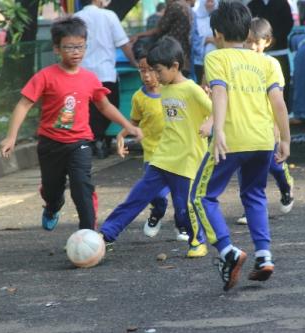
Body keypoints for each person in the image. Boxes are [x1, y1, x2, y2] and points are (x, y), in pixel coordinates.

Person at [0, 16, 142, 232]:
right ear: (57, 49)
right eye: (69, 47)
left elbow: (104, 106)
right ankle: (52, 205)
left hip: (80, 142)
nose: (76, 52)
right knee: (52, 189)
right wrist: (11, 137)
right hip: (50, 143)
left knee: (82, 186)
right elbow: (23, 105)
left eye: (80, 46)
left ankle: (88, 232)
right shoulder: (45, 76)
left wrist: (128, 125)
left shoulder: (90, 78)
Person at [190, 2, 291, 291]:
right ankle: (264, 256)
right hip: (262, 140)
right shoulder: (269, 62)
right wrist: (284, 139)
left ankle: (228, 251)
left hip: (232, 140)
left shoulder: (217, 58)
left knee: (201, 197)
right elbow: (278, 103)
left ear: (217, 33)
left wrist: (218, 130)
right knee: (255, 194)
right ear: (248, 31)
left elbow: (219, 93)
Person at [99, 36, 211, 258]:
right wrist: (125, 133)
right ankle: (106, 234)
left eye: (158, 71)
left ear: (175, 66)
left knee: (184, 207)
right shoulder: (164, 90)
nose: (155, 77)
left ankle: (197, 240)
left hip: (187, 160)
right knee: (136, 197)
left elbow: (217, 107)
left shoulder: (192, 89)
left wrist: (210, 122)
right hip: (162, 157)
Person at [115, 49, 188, 241]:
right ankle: (157, 212)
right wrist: (121, 136)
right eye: (141, 70)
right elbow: (134, 123)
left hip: (176, 153)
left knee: (181, 196)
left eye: (151, 70)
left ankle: (182, 225)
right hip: (153, 154)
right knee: (156, 194)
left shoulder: (172, 90)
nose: (147, 76)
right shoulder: (139, 98)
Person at [236, 17, 295, 225]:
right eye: (247, 41)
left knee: (275, 165)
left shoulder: (271, 64)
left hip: (267, 127)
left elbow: (278, 102)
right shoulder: (238, 65)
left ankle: (285, 185)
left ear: (267, 42)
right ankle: (249, 208)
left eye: (256, 42)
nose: (251, 46)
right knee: (245, 170)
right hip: (244, 128)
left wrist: (280, 133)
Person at [74, 0, 138, 159]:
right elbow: (124, 44)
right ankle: (100, 139)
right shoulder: (109, 16)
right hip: (106, 74)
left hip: (83, 74)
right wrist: (135, 63)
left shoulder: (76, 18)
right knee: (109, 107)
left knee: (88, 111)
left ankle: (92, 140)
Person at [247, 0, 293, 108]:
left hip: (280, 50)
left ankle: (283, 112)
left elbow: (288, 23)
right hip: (257, 53)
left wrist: (275, 39)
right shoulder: (252, 4)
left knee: (281, 85)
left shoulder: (282, 3)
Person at [131, 0, 192, 76]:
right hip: (185, 55)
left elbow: (159, 29)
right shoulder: (186, 6)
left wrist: (138, 35)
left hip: (171, 53)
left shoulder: (174, 6)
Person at [191, 0, 218, 84]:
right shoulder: (196, 18)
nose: (210, 4)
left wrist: (214, 40)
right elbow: (193, 38)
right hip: (199, 60)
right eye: (207, 1)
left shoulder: (220, 18)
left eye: (212, 1)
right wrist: (205, 40)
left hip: (216, 58)